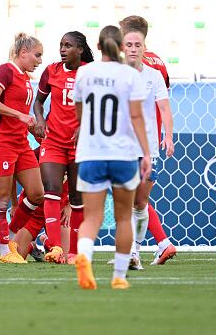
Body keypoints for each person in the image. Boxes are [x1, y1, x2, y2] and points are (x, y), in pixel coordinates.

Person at [73, 25, 152, 290]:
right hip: (123, 154)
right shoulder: (130, 75)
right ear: (120, 47)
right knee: (122, 217)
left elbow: (79, 111)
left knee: (91, 218)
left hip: (91, 153)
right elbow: (137, 116)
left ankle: (84, 256)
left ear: (97, 46)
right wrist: (147, 152)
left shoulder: (84, 73)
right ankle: (119, 277)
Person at [119, 15, 177, 265]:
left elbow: (163, 105)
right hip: (121, 146)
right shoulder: (116, 72)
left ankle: (144, 247)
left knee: (139, 202)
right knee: (128, 200)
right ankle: (133, 251)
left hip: (147, 146)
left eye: (137, 44)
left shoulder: (152, 74)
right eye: (129, 44)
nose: (133, 48)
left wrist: (168, 136)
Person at [32, 31, 94, 264]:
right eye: (61, 45)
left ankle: (75, 253)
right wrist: (40, 120)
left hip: (80, 145)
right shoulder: (52, 71)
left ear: (80, 49)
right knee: (51, 190)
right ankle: (56, 247)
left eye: (68, 45)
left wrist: (86, 125)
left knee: (77, 200)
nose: (62, 49)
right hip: (54, 141)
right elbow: (38, 102)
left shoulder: (90, 73)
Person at [0, 32, 45, 264]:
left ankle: (10, 240)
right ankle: (4, 251)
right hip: (1, 142)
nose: (39, 60)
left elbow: (22, 114)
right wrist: (20, 115)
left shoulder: (25, 78)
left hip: (21, 143)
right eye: (37, 55)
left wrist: (33, 128)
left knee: (37, 193)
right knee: (1, 199)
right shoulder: (5, 70)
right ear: (23, 53)